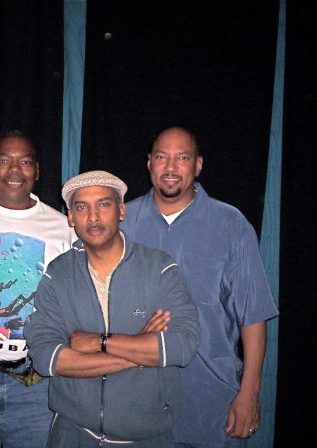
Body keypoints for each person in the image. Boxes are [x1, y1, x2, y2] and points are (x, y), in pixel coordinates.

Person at [121, 126, 279, 447]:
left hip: (211, 402)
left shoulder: (231, 224)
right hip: (134, 401)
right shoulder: (123, 222)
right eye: (162, 157)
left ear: (198, 165)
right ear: (149, 163)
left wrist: (250, 390)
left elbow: (252, 315)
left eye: (182, 158)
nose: (170, 167)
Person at [25, 170, 200, 448]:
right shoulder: (57, 274)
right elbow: (47, 358)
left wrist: (99, 342)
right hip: (73, 434)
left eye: (104, 204)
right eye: (81, 207)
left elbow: (182, 345)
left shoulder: (159, 269)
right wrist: (139, 350)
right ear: (70, 218)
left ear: (121, 211)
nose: (93, 217)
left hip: (146, 438)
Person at [0, 130, 76, 448]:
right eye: (4, 161)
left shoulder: (63, 229)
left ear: (37, 170)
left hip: (34, 384)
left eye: (25, 162)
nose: (15, 170)